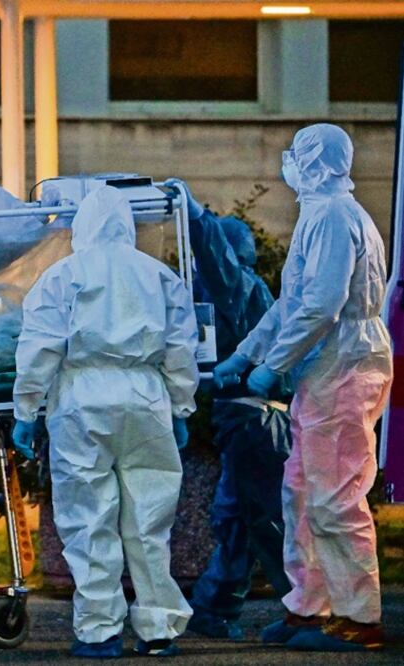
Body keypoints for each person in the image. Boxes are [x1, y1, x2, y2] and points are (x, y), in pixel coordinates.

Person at [215, 124, 392, 652]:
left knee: (335, 497)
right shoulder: (321, 214)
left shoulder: (334, 216)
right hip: (328, 369)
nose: (288, 160)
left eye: (296, 152)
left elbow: (322, 305)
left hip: (343, 366)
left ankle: (359, 619)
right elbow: (290, 303)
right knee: (301, 492)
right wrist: (245, 354)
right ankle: (309, 608)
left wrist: (273, 365)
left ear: (315, 161)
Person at [12, 186, 199, 658]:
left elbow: (39, 348)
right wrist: (181, 407)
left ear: (82, 226)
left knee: (88, 516)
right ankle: (158, 629)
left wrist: (26, 410)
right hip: (146, 397)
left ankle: (100, 632)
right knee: (150, 519)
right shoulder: (159, 276)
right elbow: (181, 349)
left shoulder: (63, 276)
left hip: (82, 399)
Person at [167, 179, 293, 641]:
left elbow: (214, 257)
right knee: (237, 516)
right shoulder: (251, 292)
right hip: (250, 415)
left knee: (262, 519)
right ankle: (216, 607)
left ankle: (304, 606)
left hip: (251, 417)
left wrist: (197, 217)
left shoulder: (237, 287)